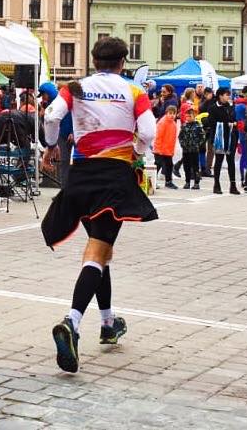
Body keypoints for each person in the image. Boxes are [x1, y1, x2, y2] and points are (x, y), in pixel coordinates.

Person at [41, 37, 157, 373]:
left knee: (102, 251)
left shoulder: (75, 87)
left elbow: (52, 115)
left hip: (81, 177)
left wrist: (51, 144)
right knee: (98, 251)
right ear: (122, 62)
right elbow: (148, 131)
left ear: (94, 61)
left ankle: (108, 323)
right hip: (114, 178)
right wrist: (136, 150)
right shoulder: (134, 91)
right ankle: (72, 322)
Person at [208, 87, 239, 195]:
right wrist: (227, 124)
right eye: (226, 94)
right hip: (219, 138)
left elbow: (234, 119)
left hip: (230, 137)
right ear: (220, 95)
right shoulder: (213, 107)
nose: (228, 97)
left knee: (231, 161)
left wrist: (234, 123)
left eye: (229, 94)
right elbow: (211, 122)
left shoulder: (230, 106)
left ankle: (233, 185)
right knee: (219, 160)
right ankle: (216, 184)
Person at [178, 108, 205, 189]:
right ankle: (187, 182)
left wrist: (197, 144)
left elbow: (202, 137)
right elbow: (180, 137)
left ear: (194, 116)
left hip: (194, 150)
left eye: (190, 116)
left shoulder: (198, 126)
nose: (188, 118)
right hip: (186, 150)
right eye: (187, 116)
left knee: (195, 167)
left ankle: (196, 183)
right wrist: (182, 144)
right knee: (186, 166)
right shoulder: (184, 126)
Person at [153, 106, 179, 189]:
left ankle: (168, 182)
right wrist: (158, 149)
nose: (172, 115)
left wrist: (172, 151)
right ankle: (153, 181)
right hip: (160, 150)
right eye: (170, 113)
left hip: (168, 150)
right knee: (158, 165)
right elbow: (158, 137)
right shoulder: (162, 122)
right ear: (166, 113)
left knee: (169, 165)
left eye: (174, 113)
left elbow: (173, 139)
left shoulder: (174, 124)